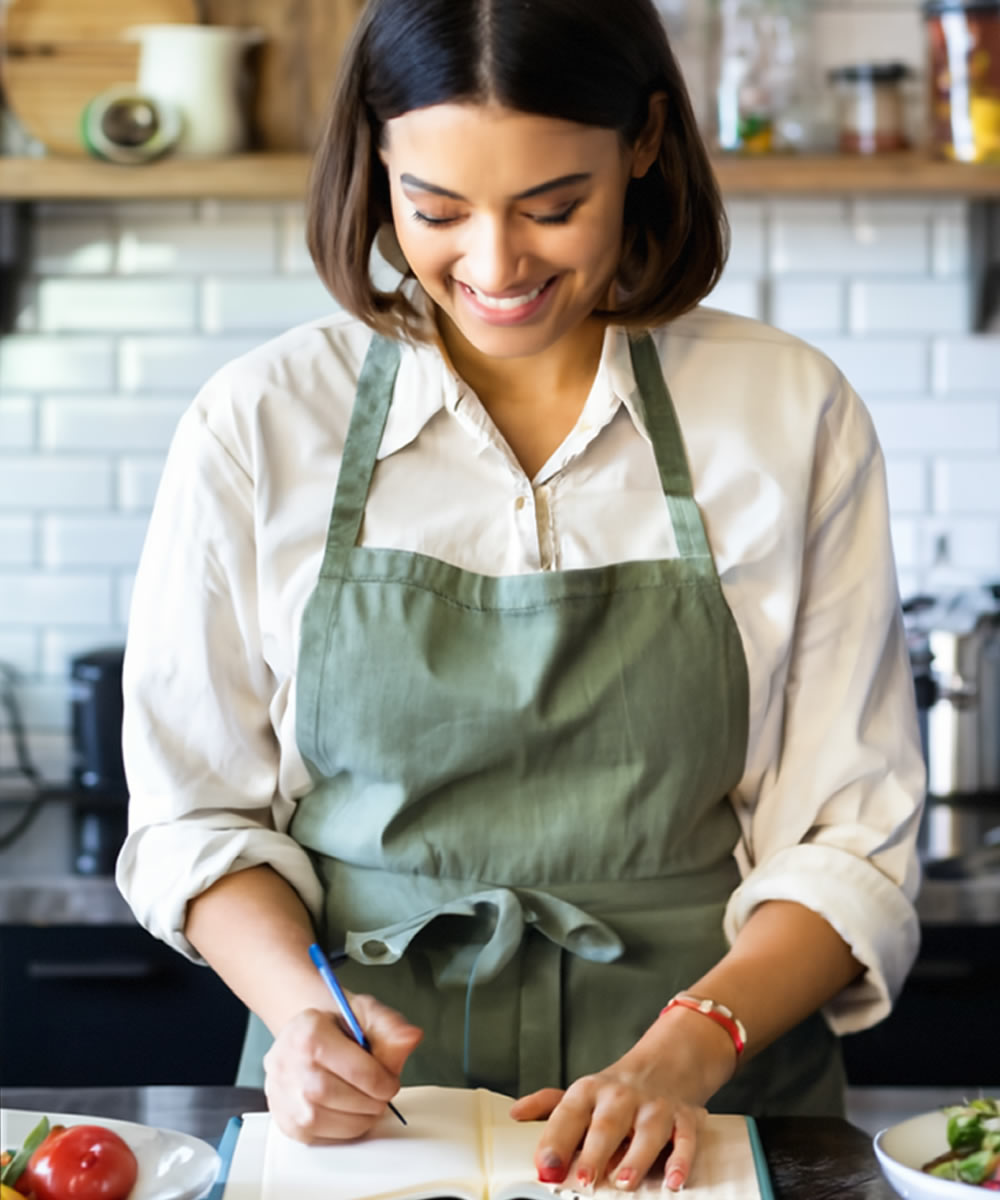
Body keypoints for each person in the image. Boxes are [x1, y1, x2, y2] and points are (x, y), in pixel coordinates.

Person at [116, 0, 925, 1191]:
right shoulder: (260, 420)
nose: (493, 267)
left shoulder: (785, 410)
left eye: (553, 208)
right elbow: (193, 816)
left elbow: (850, 833)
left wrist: (685, 1052)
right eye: (435, 210)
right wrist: (303, 1019)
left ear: (643, 144)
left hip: (705, 1106)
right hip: (363, 1128)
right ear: (376, 164)